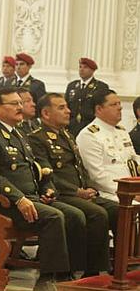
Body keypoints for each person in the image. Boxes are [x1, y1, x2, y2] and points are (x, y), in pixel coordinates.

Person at [0, 88, 73, 291]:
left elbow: (34, 169)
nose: (20, 107)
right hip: (4, 204)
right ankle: (46, 280)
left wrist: (47, 188)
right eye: (14, 104)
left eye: (20, 103)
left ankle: (67, 276)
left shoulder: (18, 133)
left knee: (75, 214)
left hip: (30, 198)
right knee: (54, 217)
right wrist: (18, 199)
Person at [27, 93, 114, 277]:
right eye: (61, 108)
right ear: (46, 113)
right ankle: (86, 271)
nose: (68, 111)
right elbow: (46, 174)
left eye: (67, 106)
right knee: (95, 214)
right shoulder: (37, 138)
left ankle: (120, 267)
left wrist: (91, 187)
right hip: (61, 194)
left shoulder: (67, 135)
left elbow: (80, 168)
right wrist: (76, 191)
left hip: (81, 193)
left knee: (118, 209)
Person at [76, 89, 140, 202]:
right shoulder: (89, 135)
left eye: (119, 103)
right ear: (99, 109)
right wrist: (129, 193)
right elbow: (97, 176)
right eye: (114, 104)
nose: (120, 107)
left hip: (131, 189)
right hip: (109, 193)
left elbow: (134, 159)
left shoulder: (121, 131)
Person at [65, 57, 108, 136]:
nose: (81, 69)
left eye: (85, 67)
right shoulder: (72, 86)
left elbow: (102, 108)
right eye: (80, 67)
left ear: (92, 70)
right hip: (72, 127)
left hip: (90, 127)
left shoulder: (100, 87)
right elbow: (67, 105)